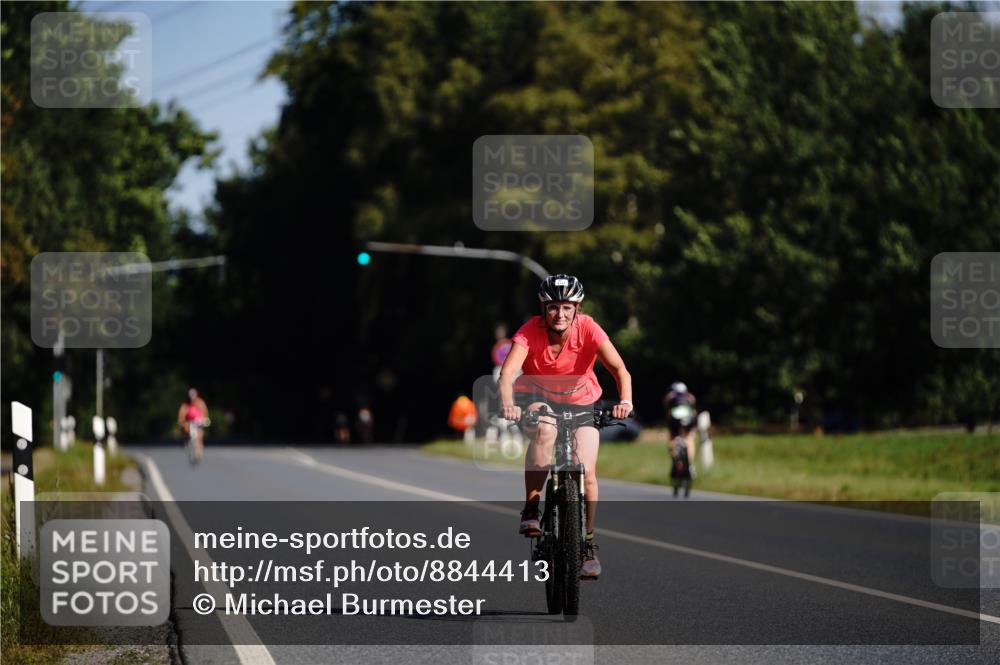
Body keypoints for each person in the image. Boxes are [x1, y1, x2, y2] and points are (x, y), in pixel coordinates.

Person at [498, 274, 633, 580]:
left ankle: (587, 545)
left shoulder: (588, 329)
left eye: (567, 308)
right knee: (546, 430)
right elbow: (507, 374)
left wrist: (626, 401)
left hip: (581, 403)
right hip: (536, 398)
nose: (560, 314)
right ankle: (531, 509)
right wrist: (509, 404)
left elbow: (620, 370)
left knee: (587, 472)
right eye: (553, 307)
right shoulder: (530, 331)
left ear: (577, 309)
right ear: (544, 309)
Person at [664, 382, 697, 471]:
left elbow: (667, 409)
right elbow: (693, 410)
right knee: (689, 438)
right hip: (689, 420)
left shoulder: (670, 396)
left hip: (674, 422)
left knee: (672, 438)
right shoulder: (689, 396)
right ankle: (690, 464)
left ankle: (675, 461)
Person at [177, 388, 209, 452]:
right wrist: (181, 421)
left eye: (193, 396)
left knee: (200, 432)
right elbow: (181, 415)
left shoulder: (200, 403)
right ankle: (187, 443)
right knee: (186, 429)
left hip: (198, 421)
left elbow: (205, 412)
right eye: (191, 396)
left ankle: (200, 446)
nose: (192, 398)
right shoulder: (185, 405)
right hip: (189, 422)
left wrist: (204, 419)